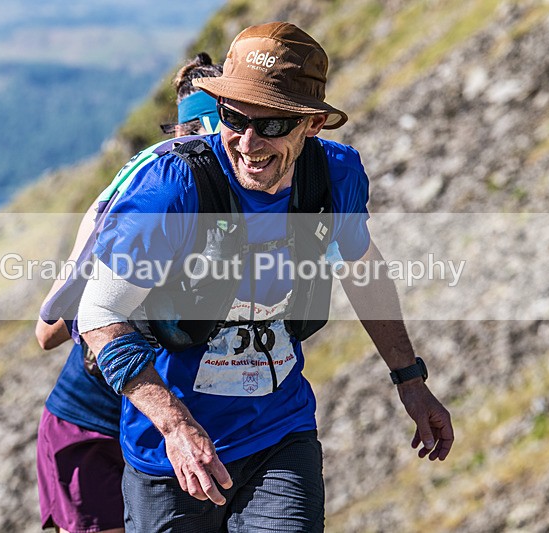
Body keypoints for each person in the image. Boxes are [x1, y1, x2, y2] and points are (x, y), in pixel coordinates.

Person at [78, 22, 454, 533]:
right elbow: (98, 312)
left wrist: (410, 380)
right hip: (171, 457)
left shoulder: (334, 176)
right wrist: (176, 426)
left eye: (273, 124)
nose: (249, 142)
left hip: (280, 435)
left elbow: (362, 271)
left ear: (312, 123)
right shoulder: (174, 188)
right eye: (234, 118)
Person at [34, 53, 223, 533]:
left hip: (157, 431)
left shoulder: (223, 198)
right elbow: (48, 331)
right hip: (92, 428)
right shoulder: (154, 192)